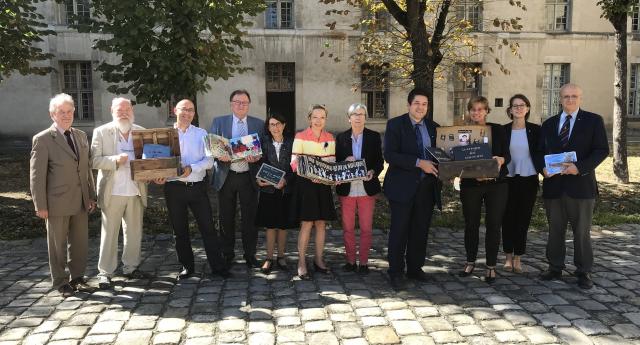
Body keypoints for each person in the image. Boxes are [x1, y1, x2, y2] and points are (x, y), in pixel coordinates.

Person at [534, 83, 609, 290]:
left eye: (574, 96)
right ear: (560, 98)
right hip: (554, 187)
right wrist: (543, 169)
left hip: (581, 186)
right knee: (555, 230)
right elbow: (539, 152)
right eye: (566, 96)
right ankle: (555, 267)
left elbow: (601, 150)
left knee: (582, 232)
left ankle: (584, 271)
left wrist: (580, 167)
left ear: (581, 98)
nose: (570, 100)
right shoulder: (548, 124)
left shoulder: (593, 121)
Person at [154, 99, 230, 280]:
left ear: (194, 114)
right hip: (173, 188)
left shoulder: (201, 133)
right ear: (175, 111)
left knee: (208, 228)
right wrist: (158, 175)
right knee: (179, 231)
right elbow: (157, 160)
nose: (187, 113)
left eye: (191, 110)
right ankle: (187, 267)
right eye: (184, 110)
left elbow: (209, 161)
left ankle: (217, 266)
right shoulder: (165, 134)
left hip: (197, 188)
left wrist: (192, 168)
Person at [30, 93, 97, 297]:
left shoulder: (80, 136)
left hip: (80, 199)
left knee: (79, 242)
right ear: (53, 114)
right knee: (57, 245)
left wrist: (91, 195)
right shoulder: (42, 139)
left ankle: (78, 277)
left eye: (69, 111)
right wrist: (39, 205)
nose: (66, 115)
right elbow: (36, 176)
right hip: (55, 202)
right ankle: (60, 282)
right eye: (61, 112)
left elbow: (85, 170)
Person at [383, 88, 441, 290]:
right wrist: (418, 163)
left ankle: (415, 268)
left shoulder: (435, 128)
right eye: (417, 103)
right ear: (409, 105)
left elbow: (441, 156)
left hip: (426, 188)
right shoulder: (395, 125)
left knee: (420, 230)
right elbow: (390, 155)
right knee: (399, 231)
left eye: (424, 104)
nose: (420, 107)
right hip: (401, 187)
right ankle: (395, 272)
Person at [91, 97, 149, 289]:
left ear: (132, 111)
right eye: (119, 110)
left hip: (135, 190)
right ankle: (105, 272)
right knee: (109, 233)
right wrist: (115, 160)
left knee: (134, 232)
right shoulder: (101, 132)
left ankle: (131, 267)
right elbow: (94, 161)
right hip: (112, 191)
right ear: (111, 110)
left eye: (127, 109)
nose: (124, 113)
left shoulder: (141, 131)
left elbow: (150, 159)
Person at [209, 89, 264, 268]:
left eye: (244, 103)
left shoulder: (258, 124)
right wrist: (219, 156)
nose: (241, 105)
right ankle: (227, 254)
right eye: (237, 102)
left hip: (249, 176)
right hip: (227, 176)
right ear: (231, 104)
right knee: (225, 217)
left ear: (248, 105)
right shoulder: (219, 122)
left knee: (250, 218)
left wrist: (257, 157)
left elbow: (263, 150)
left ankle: (250, 254)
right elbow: (212, 148)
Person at [458, 96, 509, 284]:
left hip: (496, 185)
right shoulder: (461, 132)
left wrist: (501, 160)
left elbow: (507, 156)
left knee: (494, 225)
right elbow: (457, 158)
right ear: (468, 112)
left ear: (487, 111)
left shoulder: (498, 130)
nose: (477, 112)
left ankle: (491, 266)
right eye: (473, 109)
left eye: (480, 109)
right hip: (471, 185)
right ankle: (470, 262)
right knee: (471, 224)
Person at [335, 103, 384, 274]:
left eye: (361, 114)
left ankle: (363, 262)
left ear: (365, 117)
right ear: (349, 118)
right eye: (355, 114)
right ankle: (350, 261)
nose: (358, 117)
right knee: (347, 228)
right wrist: (343, 162)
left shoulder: (374, 137)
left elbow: (379, 162)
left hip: (366, 188)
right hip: (347, 189)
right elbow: (336, 164)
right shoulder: (340, 138)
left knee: (366, 228)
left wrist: (373, 171)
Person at [290, 104, 337, 279]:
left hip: (323, 184)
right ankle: (301, 262)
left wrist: (325, 176)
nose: (318, 121)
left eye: (322, 117)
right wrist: (310, 173)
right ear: (309, 118)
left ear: (325, 119)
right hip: (306, 184)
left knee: (321, 223)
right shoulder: (300, 136)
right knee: (307, 223)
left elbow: (331, 161)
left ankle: (318, 260)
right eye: (315, 117)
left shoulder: (330, 137)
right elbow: (294, 163)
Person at [501, 94, 540, 273]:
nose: (518, 108)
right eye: (515, 106)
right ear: (510, 110)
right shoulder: (503, 130)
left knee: (523, 219)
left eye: (522, 105)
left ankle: (518, 258)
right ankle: (508, 257)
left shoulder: (536, 130)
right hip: (508, 179)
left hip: (529, 179)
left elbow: (542, 153)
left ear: (528, 108)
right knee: (508, 218)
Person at [255, 113, 295, 274]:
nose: (275, 127)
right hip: (268, 189)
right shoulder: (263, 142)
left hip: (285, 189)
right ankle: (269, 258)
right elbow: (258, 163)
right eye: (272, 124)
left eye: (278, 123)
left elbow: (295, 166)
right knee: (270, 225)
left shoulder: (292, 142)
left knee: (283, 225)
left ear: (284, 125)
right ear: (268, 127)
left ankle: (281, 257)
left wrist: (286, 181)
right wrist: (258, 179)